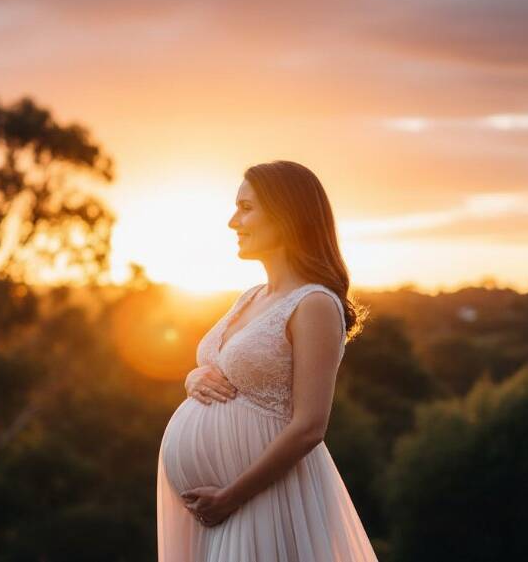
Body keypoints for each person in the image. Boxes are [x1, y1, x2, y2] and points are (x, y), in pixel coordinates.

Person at [156, 160, 379, 561]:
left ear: (286, 215)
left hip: (263, 500)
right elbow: (230, 368)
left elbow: (310, 426)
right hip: (217, 507)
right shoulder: (252, 296)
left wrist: (230, 496)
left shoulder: (314, 303)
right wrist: (195, 378)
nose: (232, 222)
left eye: (245, 208)